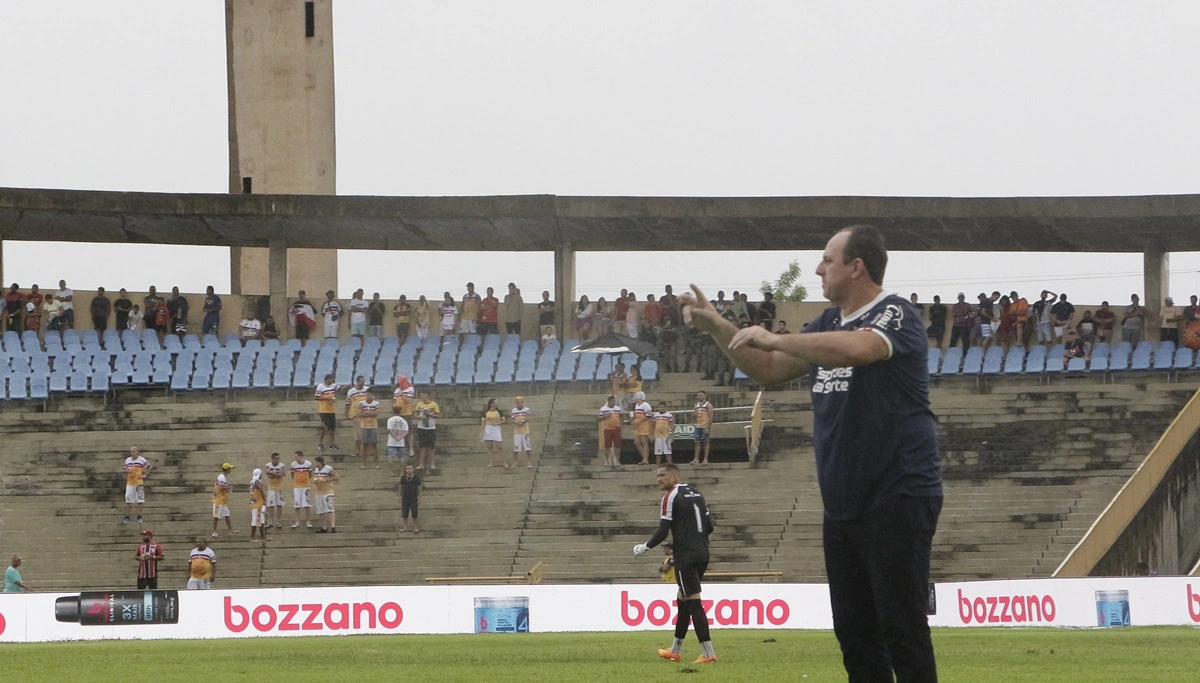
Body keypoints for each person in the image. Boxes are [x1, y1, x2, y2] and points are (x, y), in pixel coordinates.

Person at [680, 224, 942, 681]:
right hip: (843, 504)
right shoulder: (825, 323)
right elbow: (767, 368)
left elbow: (858, 349)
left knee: (902, 628)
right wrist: (720, 327)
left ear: (856, 266)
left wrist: (777, 336)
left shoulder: (895, 314)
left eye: (827, 259)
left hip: (898, 493)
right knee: (855, 636)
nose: (819, 268)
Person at [634, 464, 716, 665]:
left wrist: (645, 547)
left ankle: (708, 653)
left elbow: (663, 531)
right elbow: (710, 527)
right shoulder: (697, 493)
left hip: (686, 556)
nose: (659, 479)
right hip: (703, 553)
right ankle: (675, 650)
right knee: (683, 599)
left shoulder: (670, 497)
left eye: (662, 475)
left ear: (675, 475)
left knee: (694, 602)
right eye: (657, 476)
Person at [313, 373, 343, 452]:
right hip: (324, 410)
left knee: (332, 427)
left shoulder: (333, 386)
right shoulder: (321, 386)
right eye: (331, 379)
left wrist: (348, 387)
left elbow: (340, 389)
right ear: (327, 379)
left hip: (331, 410)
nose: (332, 380)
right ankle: (320, 443)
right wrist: (327, 398)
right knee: (324, 427)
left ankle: (332, 443)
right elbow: (317, 397)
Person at [413, 391, 441, 472]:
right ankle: (421, 464)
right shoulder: (419, 404)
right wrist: (420, 417)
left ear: (427, 395)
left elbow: (438, 415)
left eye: (422, 395)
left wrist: (429, 414)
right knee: (422, 446)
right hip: (421, 427)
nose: (421, 397)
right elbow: (415, 415)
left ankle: (432, 464)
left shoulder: (433, 404)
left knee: (431, 446)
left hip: (431, 428)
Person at [123, 446, 151, 524]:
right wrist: (127, 470)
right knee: (128, 499)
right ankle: (127, 516)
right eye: (131, 452)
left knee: (140, 500)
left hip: (139, 483)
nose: (132, 453)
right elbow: (125, 468)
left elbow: (149, 467)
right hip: (130, 483)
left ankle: (139, 515)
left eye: (134, 451)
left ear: (137, 452)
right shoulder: (128, 460)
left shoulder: (141, 460)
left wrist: (144, 475)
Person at [312, 455, 340, 533]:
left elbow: (336, 477)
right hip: (319, 492)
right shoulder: (316, 470)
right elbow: (315, 478)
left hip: (328, 492)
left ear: (319, 462)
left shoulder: (328, 468)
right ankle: (323, 527)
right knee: (321, 511)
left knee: (330, 509)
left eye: (316, 462)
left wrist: (327, 480)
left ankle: (333, 526)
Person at [356, 391, 382, 469]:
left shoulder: (376, 403)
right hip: (364, 426)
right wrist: (371, 412)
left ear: (372, 395)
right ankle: (363, 464)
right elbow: (360, 413)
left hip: (373, 426)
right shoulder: (361, 403)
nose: (368, 396)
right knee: (364, 445)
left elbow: (376, 414)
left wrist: (366, 413)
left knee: (374, 445)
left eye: (370, 394)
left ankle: (377, 464)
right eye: (367, 394)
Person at [346, 375, 371, 455]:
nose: (363, 383)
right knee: (359, 432)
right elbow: (347, 403)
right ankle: (359, 450)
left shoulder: (367, 390)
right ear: (357, 381)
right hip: (355, 414)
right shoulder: (351, 392)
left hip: (366, 414)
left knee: (366, 432)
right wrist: (346, 413)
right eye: (361, 381)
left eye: (363, 381)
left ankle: (366, 449)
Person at [290, 450, 314, 529]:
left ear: (300, 456)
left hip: (306, 486)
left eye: (296, 456)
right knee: (297, 505)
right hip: (297, 487)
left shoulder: (308, 464)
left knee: (306, 504)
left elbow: (310, 474)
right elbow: (292, 475)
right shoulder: (293, 465)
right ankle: (297, 521)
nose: (295, 458)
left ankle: (308, 521)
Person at [480, 398, 507, 468]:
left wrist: (498, 423)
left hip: (496, 429)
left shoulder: (499, 411)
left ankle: (504, 463)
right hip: (488, 429)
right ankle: (491, 463)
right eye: (494, 402)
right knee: (489, 447)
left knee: (499, 447)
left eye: (496, 403)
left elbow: (504, 420)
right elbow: (483, 423)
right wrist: (482, 432)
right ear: (491, 404)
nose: (496, 404)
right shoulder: (486, 412)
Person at [211, 463, 236, 538]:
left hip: (222, 499)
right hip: (218, 499)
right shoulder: (221, 477)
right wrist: (229, 487)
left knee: (227, 515)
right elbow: (221, 487)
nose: (231, 470)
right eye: (230, 468)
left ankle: (230, 530)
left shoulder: (223, 477)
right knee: (216, 516)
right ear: (227, 469)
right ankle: (214, 531)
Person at [598, 395, 623, 467]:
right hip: (607, 429)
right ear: (609, 401)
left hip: (616, 428)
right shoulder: (603, 409)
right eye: (612, 401)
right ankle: (607, 460)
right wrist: (605, 416)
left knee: (617, 445)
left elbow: (621, 416)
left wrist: (620, 425)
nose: (614, 402)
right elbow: (599, 418)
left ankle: (617, 460)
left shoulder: (617, 408)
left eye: (614, 401)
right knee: (607, 446)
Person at [264, 452, 287, 529]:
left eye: (279, 458)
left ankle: (278, 521)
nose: (278, 460)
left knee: (279, 505)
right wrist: (276, 473)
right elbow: (269, 476)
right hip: (271, 488)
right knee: (271, 505)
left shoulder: (282, 465)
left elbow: (281, 475)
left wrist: (271, 472)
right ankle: (270, 521)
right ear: (272, 459)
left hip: (280, 487)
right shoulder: (268, 465)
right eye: (276, 459)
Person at [510, 395, 534, 468]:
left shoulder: (526, 409)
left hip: (525, 431)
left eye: (519, 402)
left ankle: (529, 462)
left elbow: (528, 418)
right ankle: (515, 462)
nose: (518, 403)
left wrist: (522, 421)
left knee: (527, 447)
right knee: (516, 447)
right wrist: (517, 423)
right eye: (516, 402)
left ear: (522, 402)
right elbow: (512, 419)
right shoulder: (514, 410)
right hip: (517, 431)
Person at [399, 464, 423, 533]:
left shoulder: (416, 478)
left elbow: (419, 488)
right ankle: (405, 527)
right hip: (405, 497)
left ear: (413, 469)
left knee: (414, 513)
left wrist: (420, 497)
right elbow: (400, 487)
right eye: (407, 468)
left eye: (410, 468)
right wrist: (400, 496)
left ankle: (415, 527)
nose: (408, 470)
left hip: (413, 498)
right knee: (404, 513)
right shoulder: (403, 478)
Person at [691, 391, 713, 465]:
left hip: (705, 426)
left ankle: (705, 459)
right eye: (698, 395)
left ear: (705, 396)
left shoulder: (708, 405)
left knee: (705, 442)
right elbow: (694, 416)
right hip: (698, 425)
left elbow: (711, 417)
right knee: (697, 442)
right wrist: (694, 415)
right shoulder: (696, 405)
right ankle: (696, 458)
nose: (699, 396)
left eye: (701, 395)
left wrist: (708, 427)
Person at [631, 391, 653, 465]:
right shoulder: (637, 405)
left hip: (644, 425)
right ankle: (644, 457)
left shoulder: (645, 405)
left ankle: (645, 459)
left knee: (644, 442)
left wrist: (639, 421)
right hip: (638, 426)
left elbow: (649, 415)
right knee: (636, 442)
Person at [386, 406, 411, 471]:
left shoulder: (390, 420)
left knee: (391, 456)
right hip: (401, 442)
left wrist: (394, 436)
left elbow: (389, 429)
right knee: (401, 457)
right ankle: (402, 472)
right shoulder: (404, 421)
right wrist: (400, 437)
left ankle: (392, 472)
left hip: (391, 442)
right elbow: (406, 431)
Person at [249, 468, 268, 541]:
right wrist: (264, 499)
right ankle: (252, 537)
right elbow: (261, 490)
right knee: (255, 520)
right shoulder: (257, 481)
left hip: (254, 503)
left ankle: (263, 537)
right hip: (257, 503)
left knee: (261, 520)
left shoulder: (252, 482)